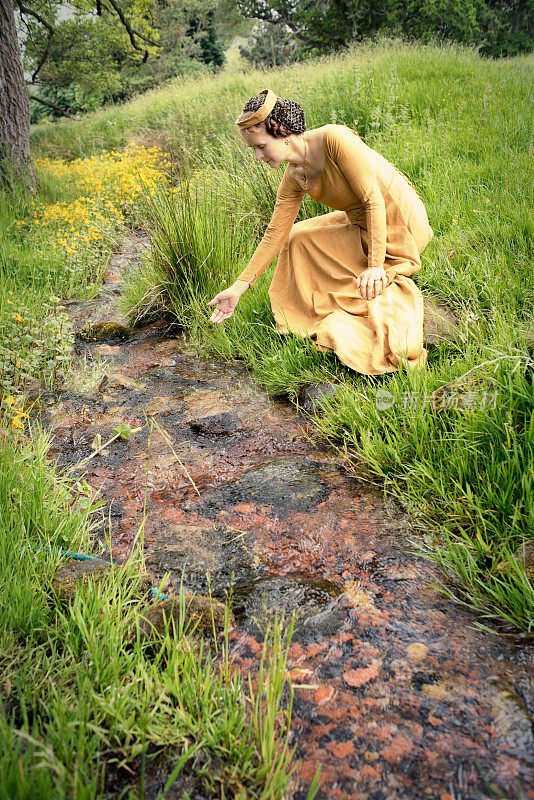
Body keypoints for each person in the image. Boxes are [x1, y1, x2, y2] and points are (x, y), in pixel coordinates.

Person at [207, 88, 434, 376]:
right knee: (295, 237)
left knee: (334, 247)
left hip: (399, 222)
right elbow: (275, 232)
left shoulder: (333, 138)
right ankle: (310, 308)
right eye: (254, 149)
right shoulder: (295, 175)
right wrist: (238, 287)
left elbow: (372, 200)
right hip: (360, 221)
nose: (257, 156)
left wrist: (376, 266)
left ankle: (367, 271)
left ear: (284, 133)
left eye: (261, 146)